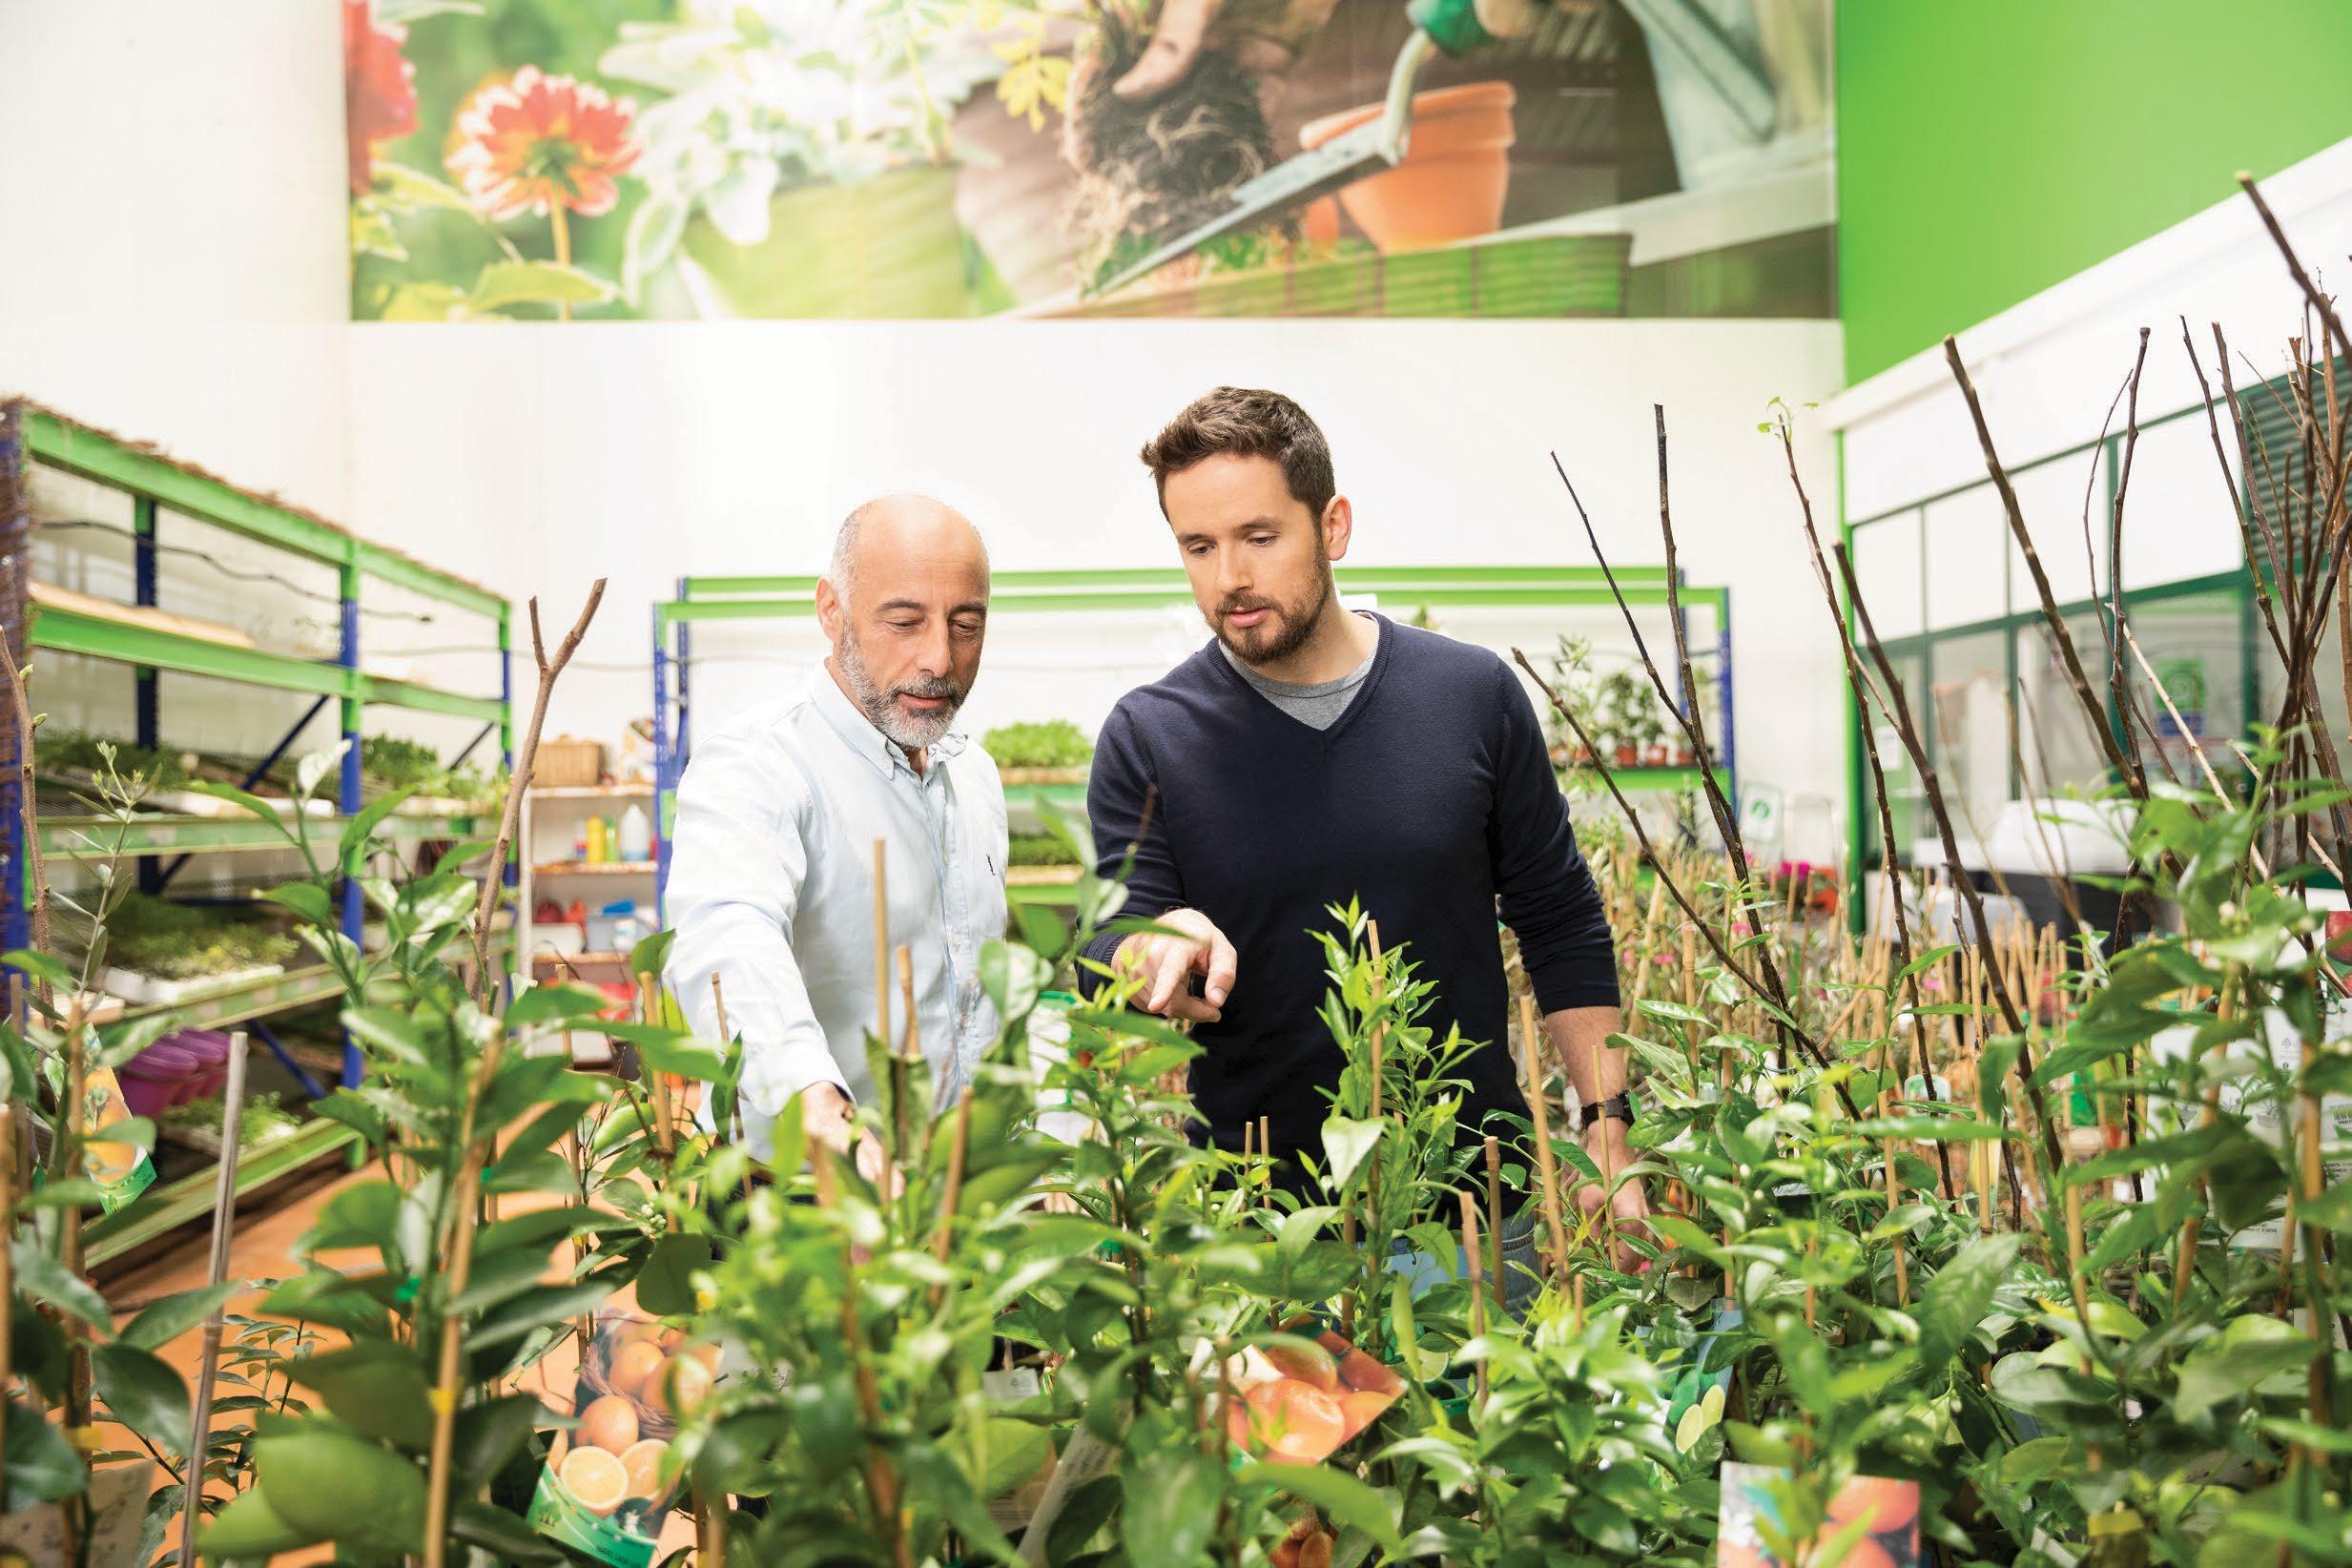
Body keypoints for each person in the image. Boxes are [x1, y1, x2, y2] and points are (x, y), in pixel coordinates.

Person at [1080, 386, 1648, 1276]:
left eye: (1259, 537)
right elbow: (1103, 944)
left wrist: (1606, 1132)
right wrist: (1149, 943)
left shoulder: (1470, 697)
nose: (1228, 579)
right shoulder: (1152, 734)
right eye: (1199, 546)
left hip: (1472, 1213)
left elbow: (1560, 919)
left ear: (1333, 526)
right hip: (1262, 1229)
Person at [666, 495, 1007, 1180]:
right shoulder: (758, 763)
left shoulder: (974, 775)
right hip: (795, 1191)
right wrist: (819, 1107)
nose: (939, 658)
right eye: (903, 622)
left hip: (949, 1194)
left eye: (966, 626)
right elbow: (729, 936)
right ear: (832, 611)